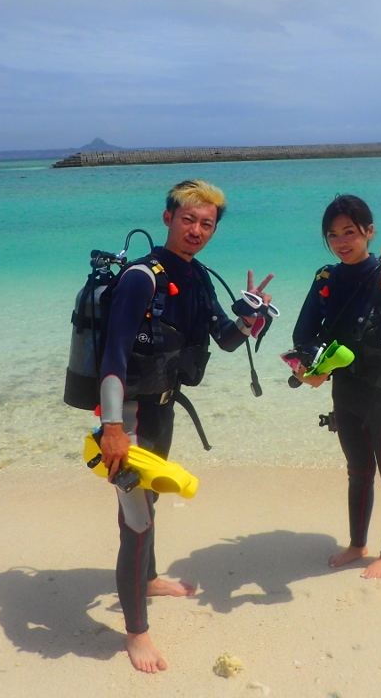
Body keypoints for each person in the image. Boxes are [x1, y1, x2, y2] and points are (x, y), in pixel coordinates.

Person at [96, 179, 273, 672]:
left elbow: (223, 338)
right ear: (168, 217)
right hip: (128, 413)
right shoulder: (140, 278)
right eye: (189, 219)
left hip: (164, 409)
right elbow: (113, 354)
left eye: (207, 223)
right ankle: (137, 633)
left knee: (148, 504)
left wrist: (248, 320)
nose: (197, 230)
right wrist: (112, 426)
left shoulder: (195, 278)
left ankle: (149, 578)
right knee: (138, 521)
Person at [291, 194, 381, 579]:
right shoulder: (326, 279)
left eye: (350, 232)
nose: (341, 242)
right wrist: (308, 368)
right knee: (357, 472)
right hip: (347, 393)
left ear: (369, 232)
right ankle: (357, 543)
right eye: (333, 235)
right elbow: (303, 334)